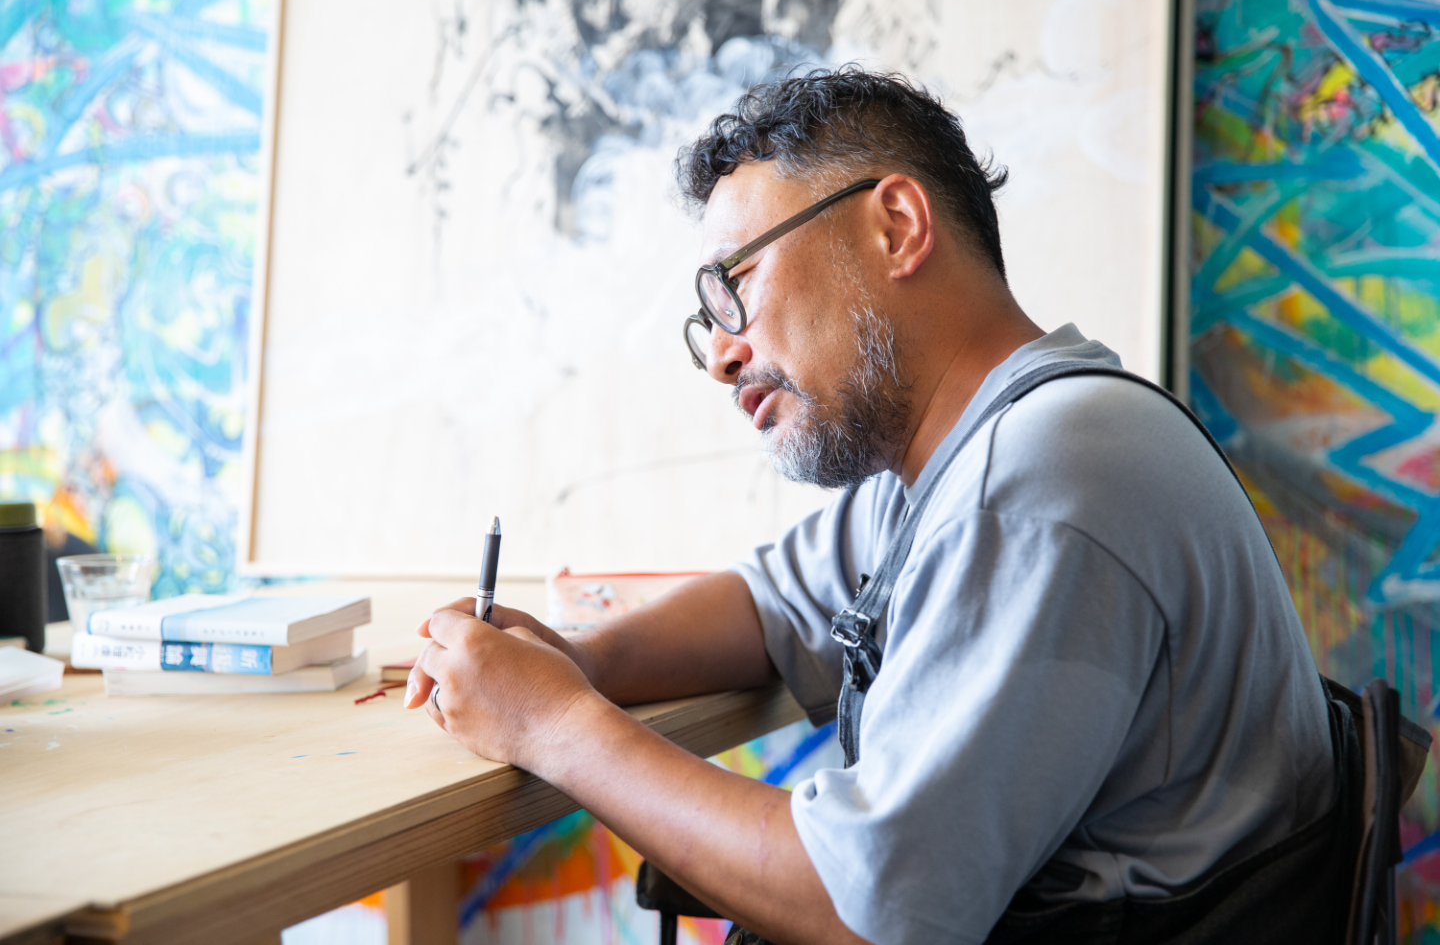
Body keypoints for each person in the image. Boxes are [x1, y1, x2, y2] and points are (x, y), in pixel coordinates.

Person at [404, 68, 1343, 945]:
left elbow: (874, 909)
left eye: (738, 287)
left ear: (895, 226)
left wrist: (554, 723)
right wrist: (578, 659)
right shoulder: (971, 453)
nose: (722, 356)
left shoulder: (1036, 484)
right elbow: (772, 604)